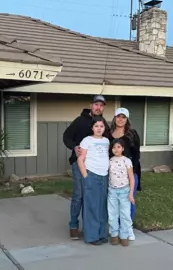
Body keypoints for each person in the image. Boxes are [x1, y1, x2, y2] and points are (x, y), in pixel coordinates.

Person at [63, 95, 110, 240]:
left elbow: (109, 143)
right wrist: (74, 146)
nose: (98, 108)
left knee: (94, 198)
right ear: (91, 105)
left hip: (97, 168)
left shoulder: (103, 124)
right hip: (80, 164)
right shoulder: (79, 121)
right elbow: (66, 136)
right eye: (96, 104)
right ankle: (73, 225)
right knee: (79, 195)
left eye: (101, 105)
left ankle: (90, 228)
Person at [109, 107, 141, 241]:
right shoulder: (108, 134)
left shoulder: (132, 134)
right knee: (115, 205)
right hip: (113, 176)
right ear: (115, 118)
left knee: (129, 202)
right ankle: (116, 230)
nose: (120, 119)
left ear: (127, 119)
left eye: (123, 117)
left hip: (129, 173)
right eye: (118, 116)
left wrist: (131, 174)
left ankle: (128, 229)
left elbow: (136, 155)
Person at [77, 116, 110, 245]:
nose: (99, 128)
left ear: (104, 128)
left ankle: (102, 234)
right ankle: (91, 236)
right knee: (91, 206)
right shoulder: (86, 140)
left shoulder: (107, 141)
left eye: (101, 126)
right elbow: (80, 159)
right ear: (92, 127)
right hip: (92, 175)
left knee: (102, 206)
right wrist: (85, 175)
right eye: (96, 126)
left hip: (104, 176)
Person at [108, 138, 135, 247]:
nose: (116, 149)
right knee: (112, 214)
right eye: (114, 147)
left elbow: (131, 178)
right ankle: (114, 235)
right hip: (112, 191)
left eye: (118, 147)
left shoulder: (127, 161)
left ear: (123, 148)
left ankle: (124, 235)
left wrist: (131, 193)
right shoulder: (109, 161)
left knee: (125, 214)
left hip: (124, 191)